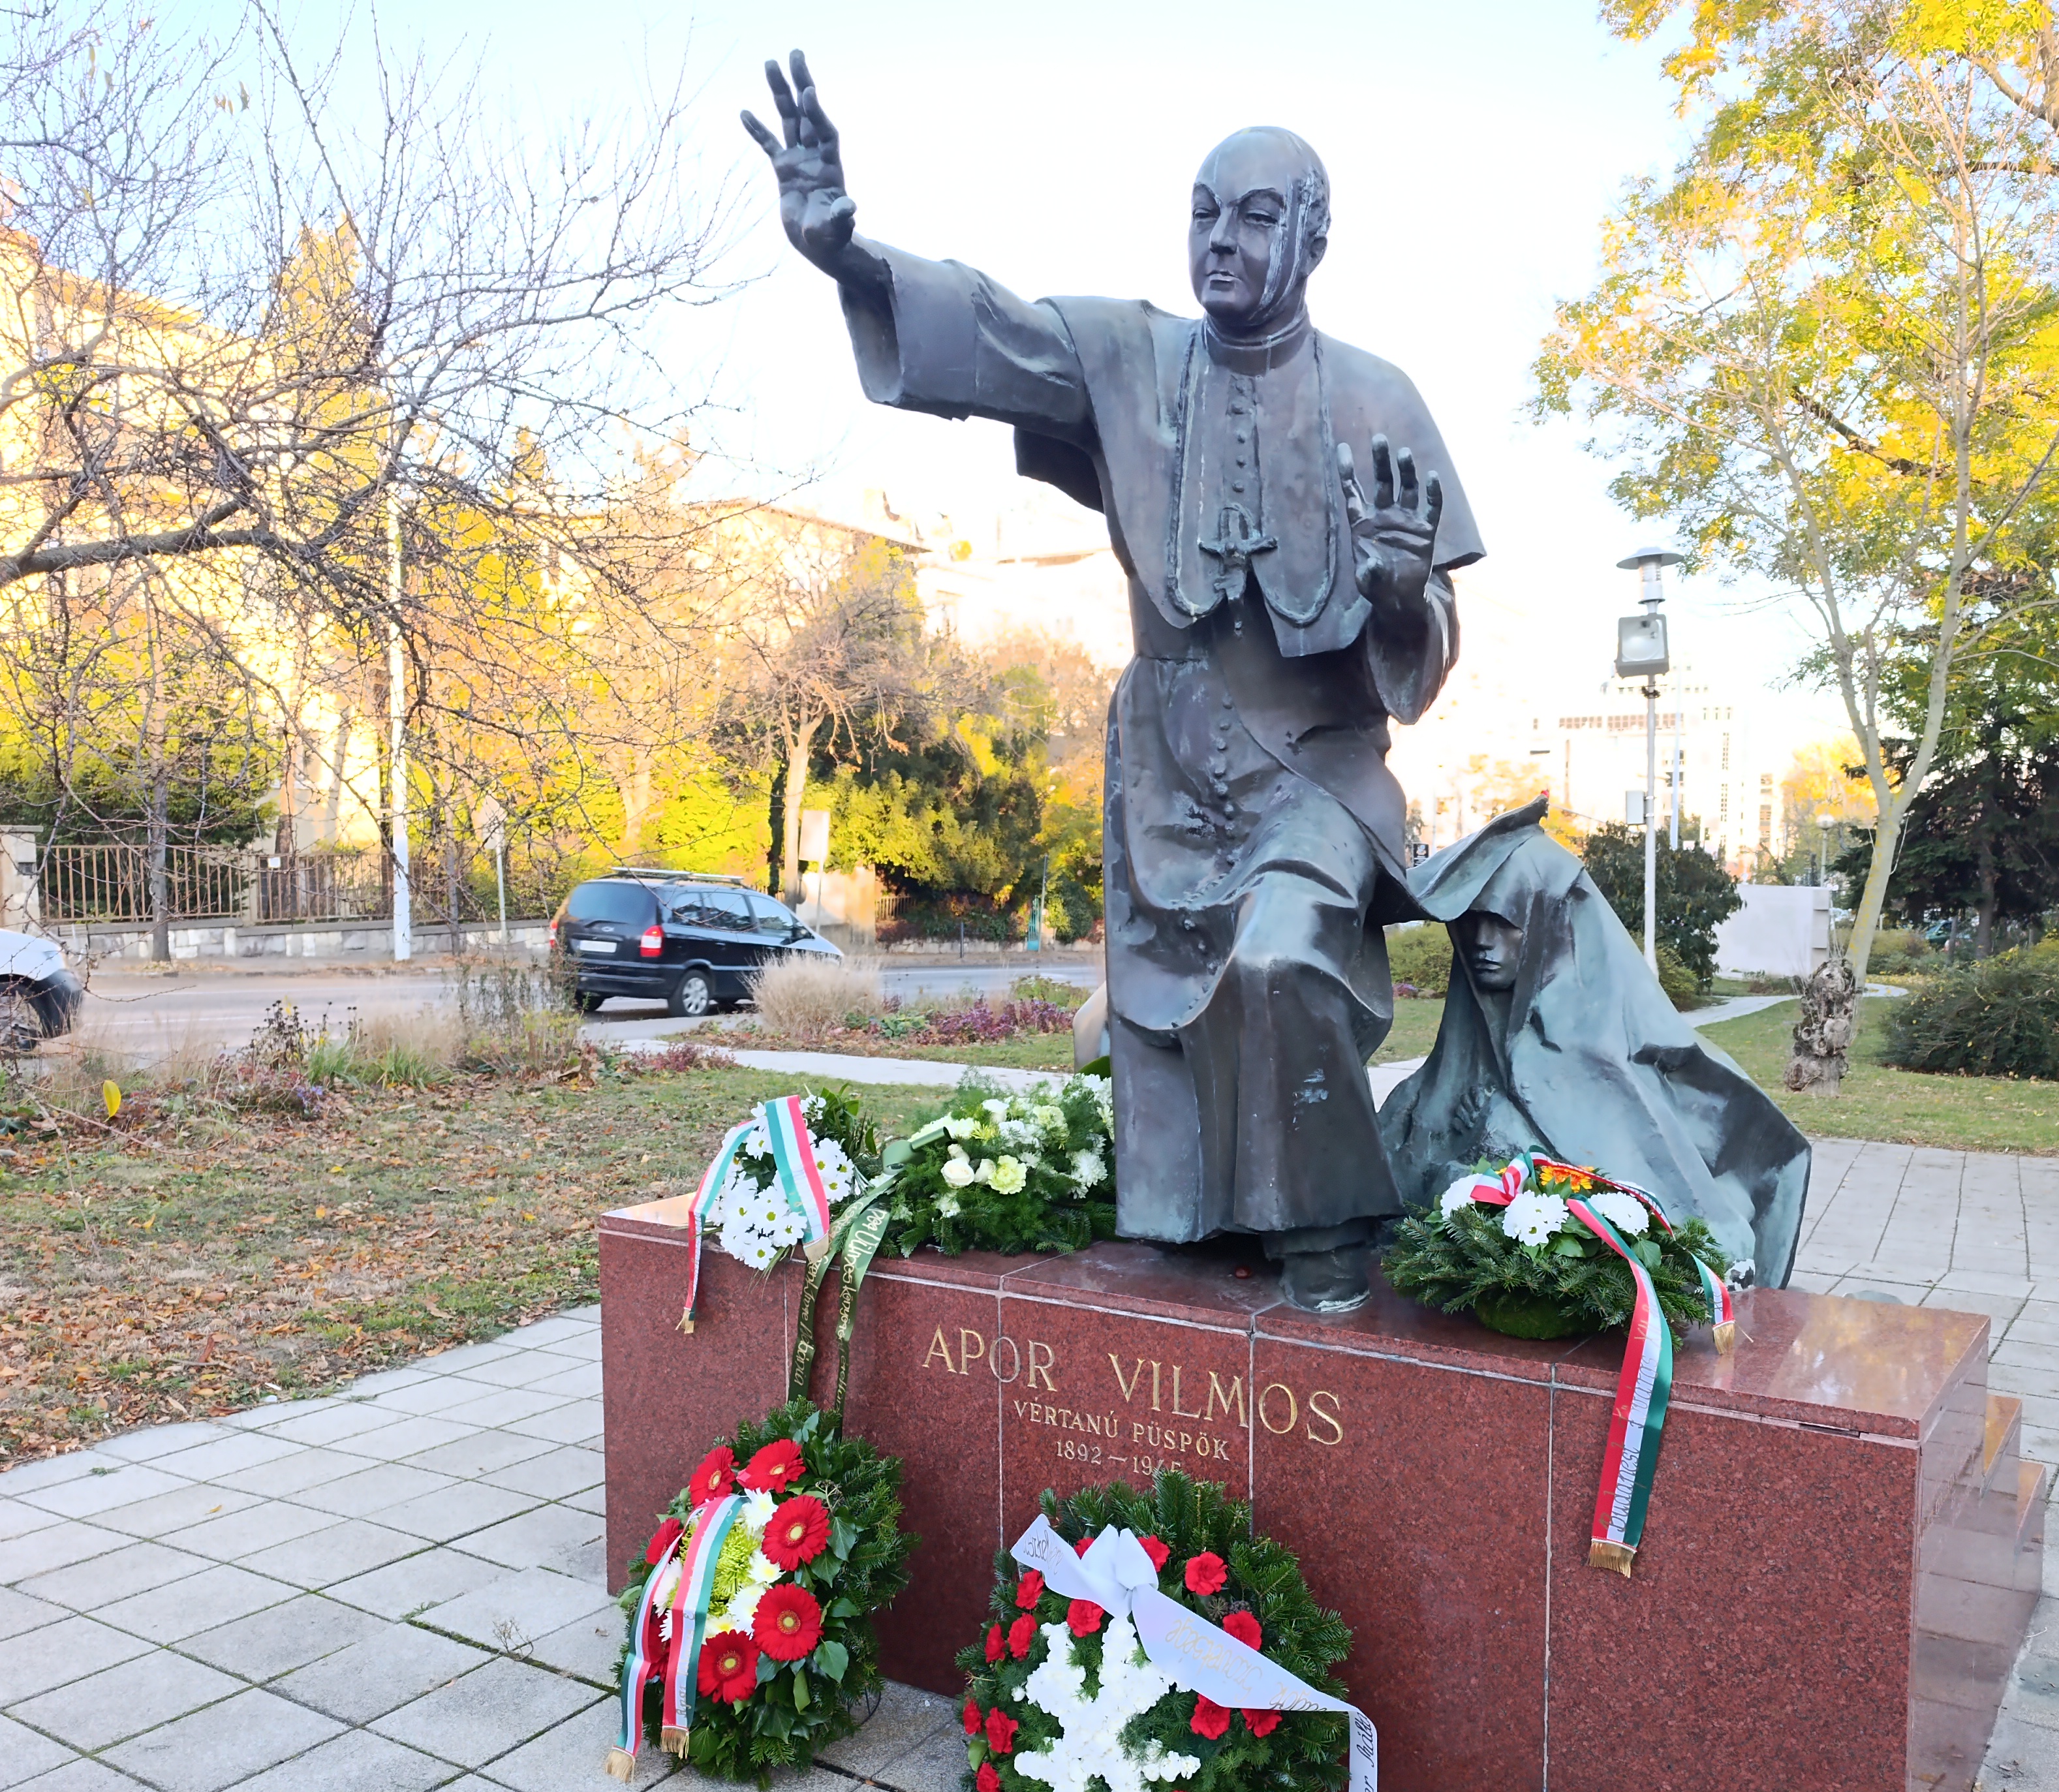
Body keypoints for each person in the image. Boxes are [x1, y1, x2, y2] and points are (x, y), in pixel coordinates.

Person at [744, 55, 1483, 1310]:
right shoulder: (1128, 359)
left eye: (1255, 215)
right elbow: (992, 327)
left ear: (1312, 235)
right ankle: (1188, 1219)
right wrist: (849, 259)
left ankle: (1325, 1230)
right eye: (1204, 211)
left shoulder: (1378, 397)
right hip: (1170, 754)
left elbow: (1429, 647)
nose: (1221, 239)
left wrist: (1406, 590)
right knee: (1154, 1002)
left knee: (1279, 959)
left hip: (1317, 764)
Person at [1378, 802, 1811, 1288]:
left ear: (1549, 924)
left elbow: (1680, 1227)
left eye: (1504, 921)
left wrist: (1499, 1135)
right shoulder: (1421, 1097)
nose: (1481, 940)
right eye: (1471, 920)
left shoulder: (1608, 1063)